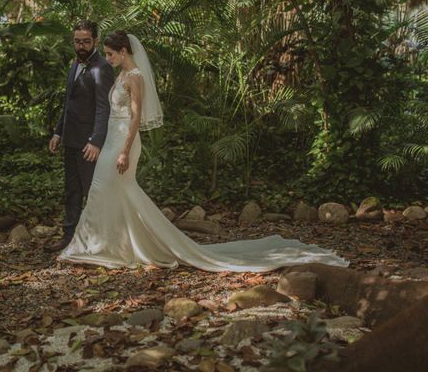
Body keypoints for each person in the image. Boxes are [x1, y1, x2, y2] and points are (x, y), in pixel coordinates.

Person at [58, 31, 348, 272]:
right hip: (111, 137)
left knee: (114, 187)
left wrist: (124, 150)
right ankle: (106, 244)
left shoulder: (134, 77)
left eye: (110, 54)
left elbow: (135, 117)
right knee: (106, 189)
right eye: (106, 54)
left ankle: (117, 244)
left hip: (124, 141)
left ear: (123, 51)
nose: (107, 59)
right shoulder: (121, 74)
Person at [45, 20, 115, 253]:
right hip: (70, 140)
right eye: (77, 41)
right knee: (71, 191)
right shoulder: (74, 65)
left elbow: (104, 108)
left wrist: (96, 140)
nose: (81, 45)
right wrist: (58, 132)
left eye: (86, 41)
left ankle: (98, 241)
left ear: (95, 40)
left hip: (89, 144)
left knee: (92, 192)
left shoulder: (102, 67)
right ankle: (69, 237)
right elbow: (69, 104)